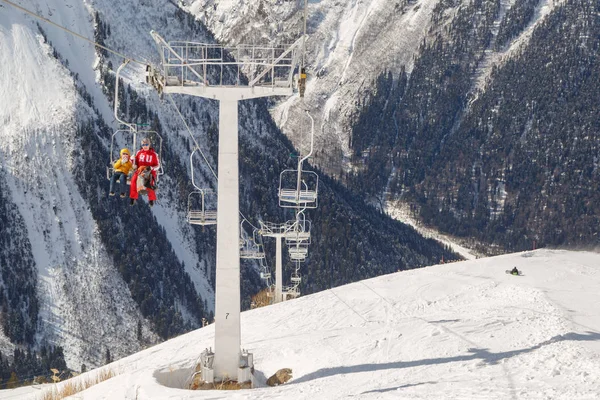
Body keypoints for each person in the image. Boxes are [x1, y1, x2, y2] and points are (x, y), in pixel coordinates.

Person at [129, 138, 160, 206]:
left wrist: (152, 168)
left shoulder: (153, 154)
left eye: (146, 144)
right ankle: (133, 197)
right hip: (140, 170)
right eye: (143, 144)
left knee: (149, 183)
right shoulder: (139, 153)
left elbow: (157, 165)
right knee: (133, 181)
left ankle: (151, 199)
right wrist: (132, 159)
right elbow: (134, 162)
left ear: (149, 145)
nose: (145, 146)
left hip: (149, 172)